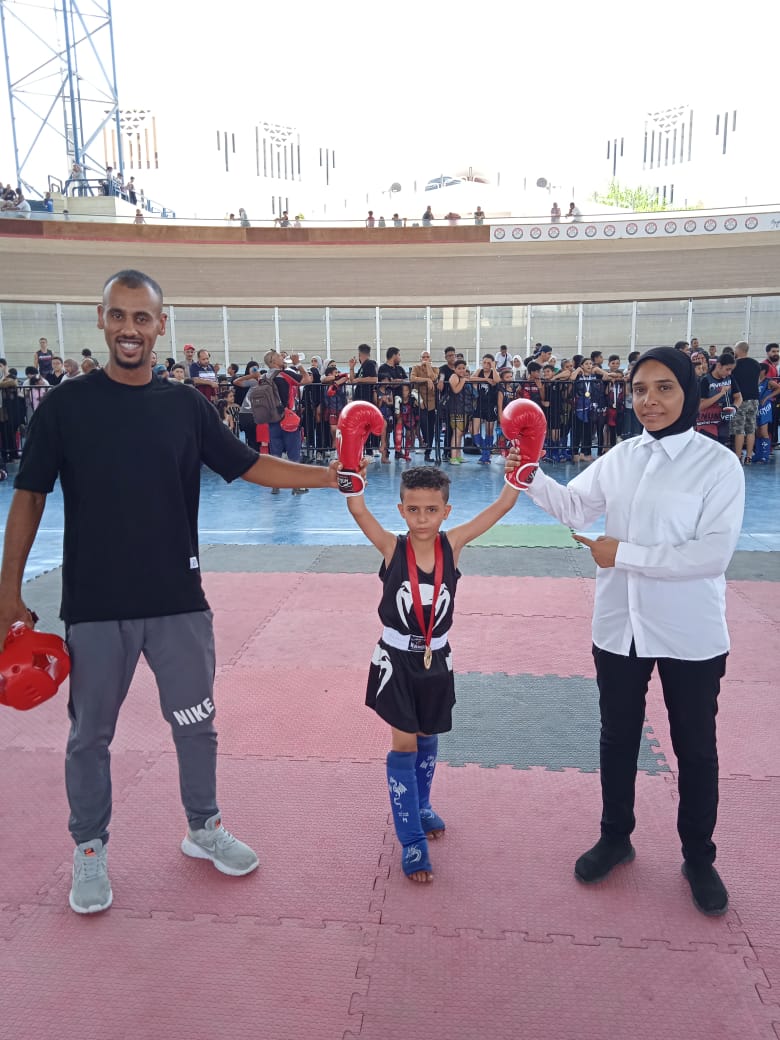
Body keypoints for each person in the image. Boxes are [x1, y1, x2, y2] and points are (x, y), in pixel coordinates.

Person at [0, 268, 347, 916]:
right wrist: (7, 592)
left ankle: (203, 826)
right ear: (102, 319)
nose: (129, 328)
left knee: (196, 724)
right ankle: (90, 847)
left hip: (177, 601)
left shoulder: (185, 405)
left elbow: (248, 464)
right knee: (89, 737)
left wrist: (329, 478)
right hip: (96, 606)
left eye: (142, 317)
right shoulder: (66, 407)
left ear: (161, 325)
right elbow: (29, 497)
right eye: (118, 315)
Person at [513, 346, 745, 916]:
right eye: (640, 389)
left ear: (689, 393)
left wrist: (624, 554)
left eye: (664, 388)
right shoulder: (621, 456)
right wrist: (529, 473)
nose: (650, 401)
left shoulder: (718, 465)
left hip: (689, 631)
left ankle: (699, 857)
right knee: (617, 738)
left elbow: (711, 557)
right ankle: (615, 836)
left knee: (695, 748)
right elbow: (575, 508)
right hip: (620, 627)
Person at [345, 464, 522, 882]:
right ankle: (411, 840)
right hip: (396, 661)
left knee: (428, 734)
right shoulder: (391, 547)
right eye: (413, 510)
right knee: (405, 741)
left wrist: (518, 472)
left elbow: (499, 507)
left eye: (431, 510)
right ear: (401, 510)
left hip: (436, 660)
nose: (422, 519)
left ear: (446, 511)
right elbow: (358, 511)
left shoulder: (452, 544)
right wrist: (351, 472)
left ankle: (421, 806)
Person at [732, 341, 760, 464]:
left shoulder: (735, 365)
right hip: (754, 399)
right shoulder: (756, 364)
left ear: (738, 350)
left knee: (739, 429)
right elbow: (758, 381)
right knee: (751, 429)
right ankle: (749, 456)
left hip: (740, 399)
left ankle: (738, 456)